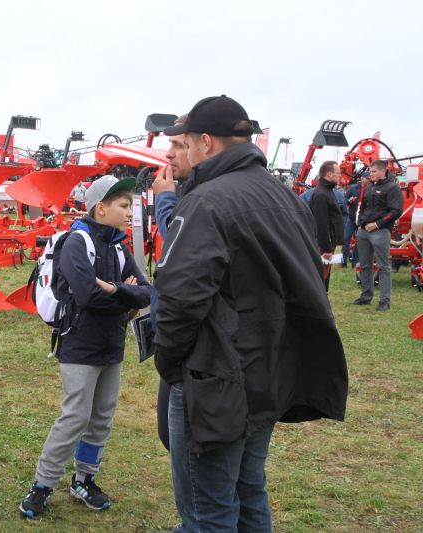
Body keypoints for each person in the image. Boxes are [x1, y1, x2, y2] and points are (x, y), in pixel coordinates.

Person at [153, 95, 348, 532]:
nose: (178, 153)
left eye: (184, 143)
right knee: (248, 488)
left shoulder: (206, 202)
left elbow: (180, 300)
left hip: (215, 376)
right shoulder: (284, 196)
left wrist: (172, 365)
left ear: (206, 142)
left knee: (210, 508)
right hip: (268, 369)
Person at [19, 175, 151, 519]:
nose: (129, 211)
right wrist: (125, 292)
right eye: (123, 205)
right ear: (101, 207)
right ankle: (42, 485)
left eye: (130, 205)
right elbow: (88, 296)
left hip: (112, 345)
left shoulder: (120, 247)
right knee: (76, 415)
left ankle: (84, 479)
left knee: (102, 417)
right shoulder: (78, 242)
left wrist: (115, 290)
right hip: (79, 344)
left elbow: (148, 292)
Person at [150, 113, 192, 452]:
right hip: (181, 345)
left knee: (180, 439)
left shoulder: (202, 194)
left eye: (178, 144)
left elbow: (179, 241)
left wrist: (165, 198)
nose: (169, 154)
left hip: (193, 351)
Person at [353, 159, 403, 311]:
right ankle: (366, 296)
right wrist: (360, 223)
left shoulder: (392, 188)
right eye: (370, 171)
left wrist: (377, 224)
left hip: (380, 231)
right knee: (365, 265)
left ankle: (384, 301)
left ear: (383, 171)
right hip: (363, 231)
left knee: (383, 266)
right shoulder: (368, 187)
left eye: (374, 171)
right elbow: (363, 206)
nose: (371, 174)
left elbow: (396, 211)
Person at [309, 161, 345, 291]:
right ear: (329, 174)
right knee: (320, 276)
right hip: (324, 244)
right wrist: (327, 248)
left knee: (324, 275)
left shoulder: (327, 191)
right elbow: (321, 223)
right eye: (338, 174)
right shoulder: (321, 194)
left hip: (328, 242)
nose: (340, 176)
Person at [342, 175, 369, 267]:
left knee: (359, 240)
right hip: (352, 217)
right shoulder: (353, 188)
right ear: (362, 178)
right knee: (346, 238)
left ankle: (355, 261)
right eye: (367, 178)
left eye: (369, 178)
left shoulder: (370, 189)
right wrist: (349, 201)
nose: (368, 179)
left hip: (362, 219)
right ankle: (343, 261)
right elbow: (344, 199)